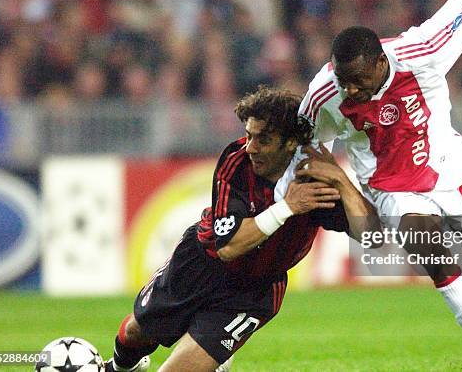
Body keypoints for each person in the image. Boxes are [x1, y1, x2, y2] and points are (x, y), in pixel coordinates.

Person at [276, 0, 462, 371]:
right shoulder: (324, 95)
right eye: (343, 80)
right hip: (392, 189)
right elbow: (305, 146)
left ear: (381, 62)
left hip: (452, 168)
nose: (350, 90)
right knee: (434, 256)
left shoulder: (423, 48)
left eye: (359, 82)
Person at [104, 86, 379, 372]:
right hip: (200, 265)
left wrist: (340, 179)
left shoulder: (315, 179)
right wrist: (287, 206)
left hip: (252, 293)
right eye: (249, 135)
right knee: (136, 333)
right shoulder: (236, 161)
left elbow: (373, 238)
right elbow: (229, 247)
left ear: (290, 143)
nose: (251, 147)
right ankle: (119, 368)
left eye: (263, 139)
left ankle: (210, 355)